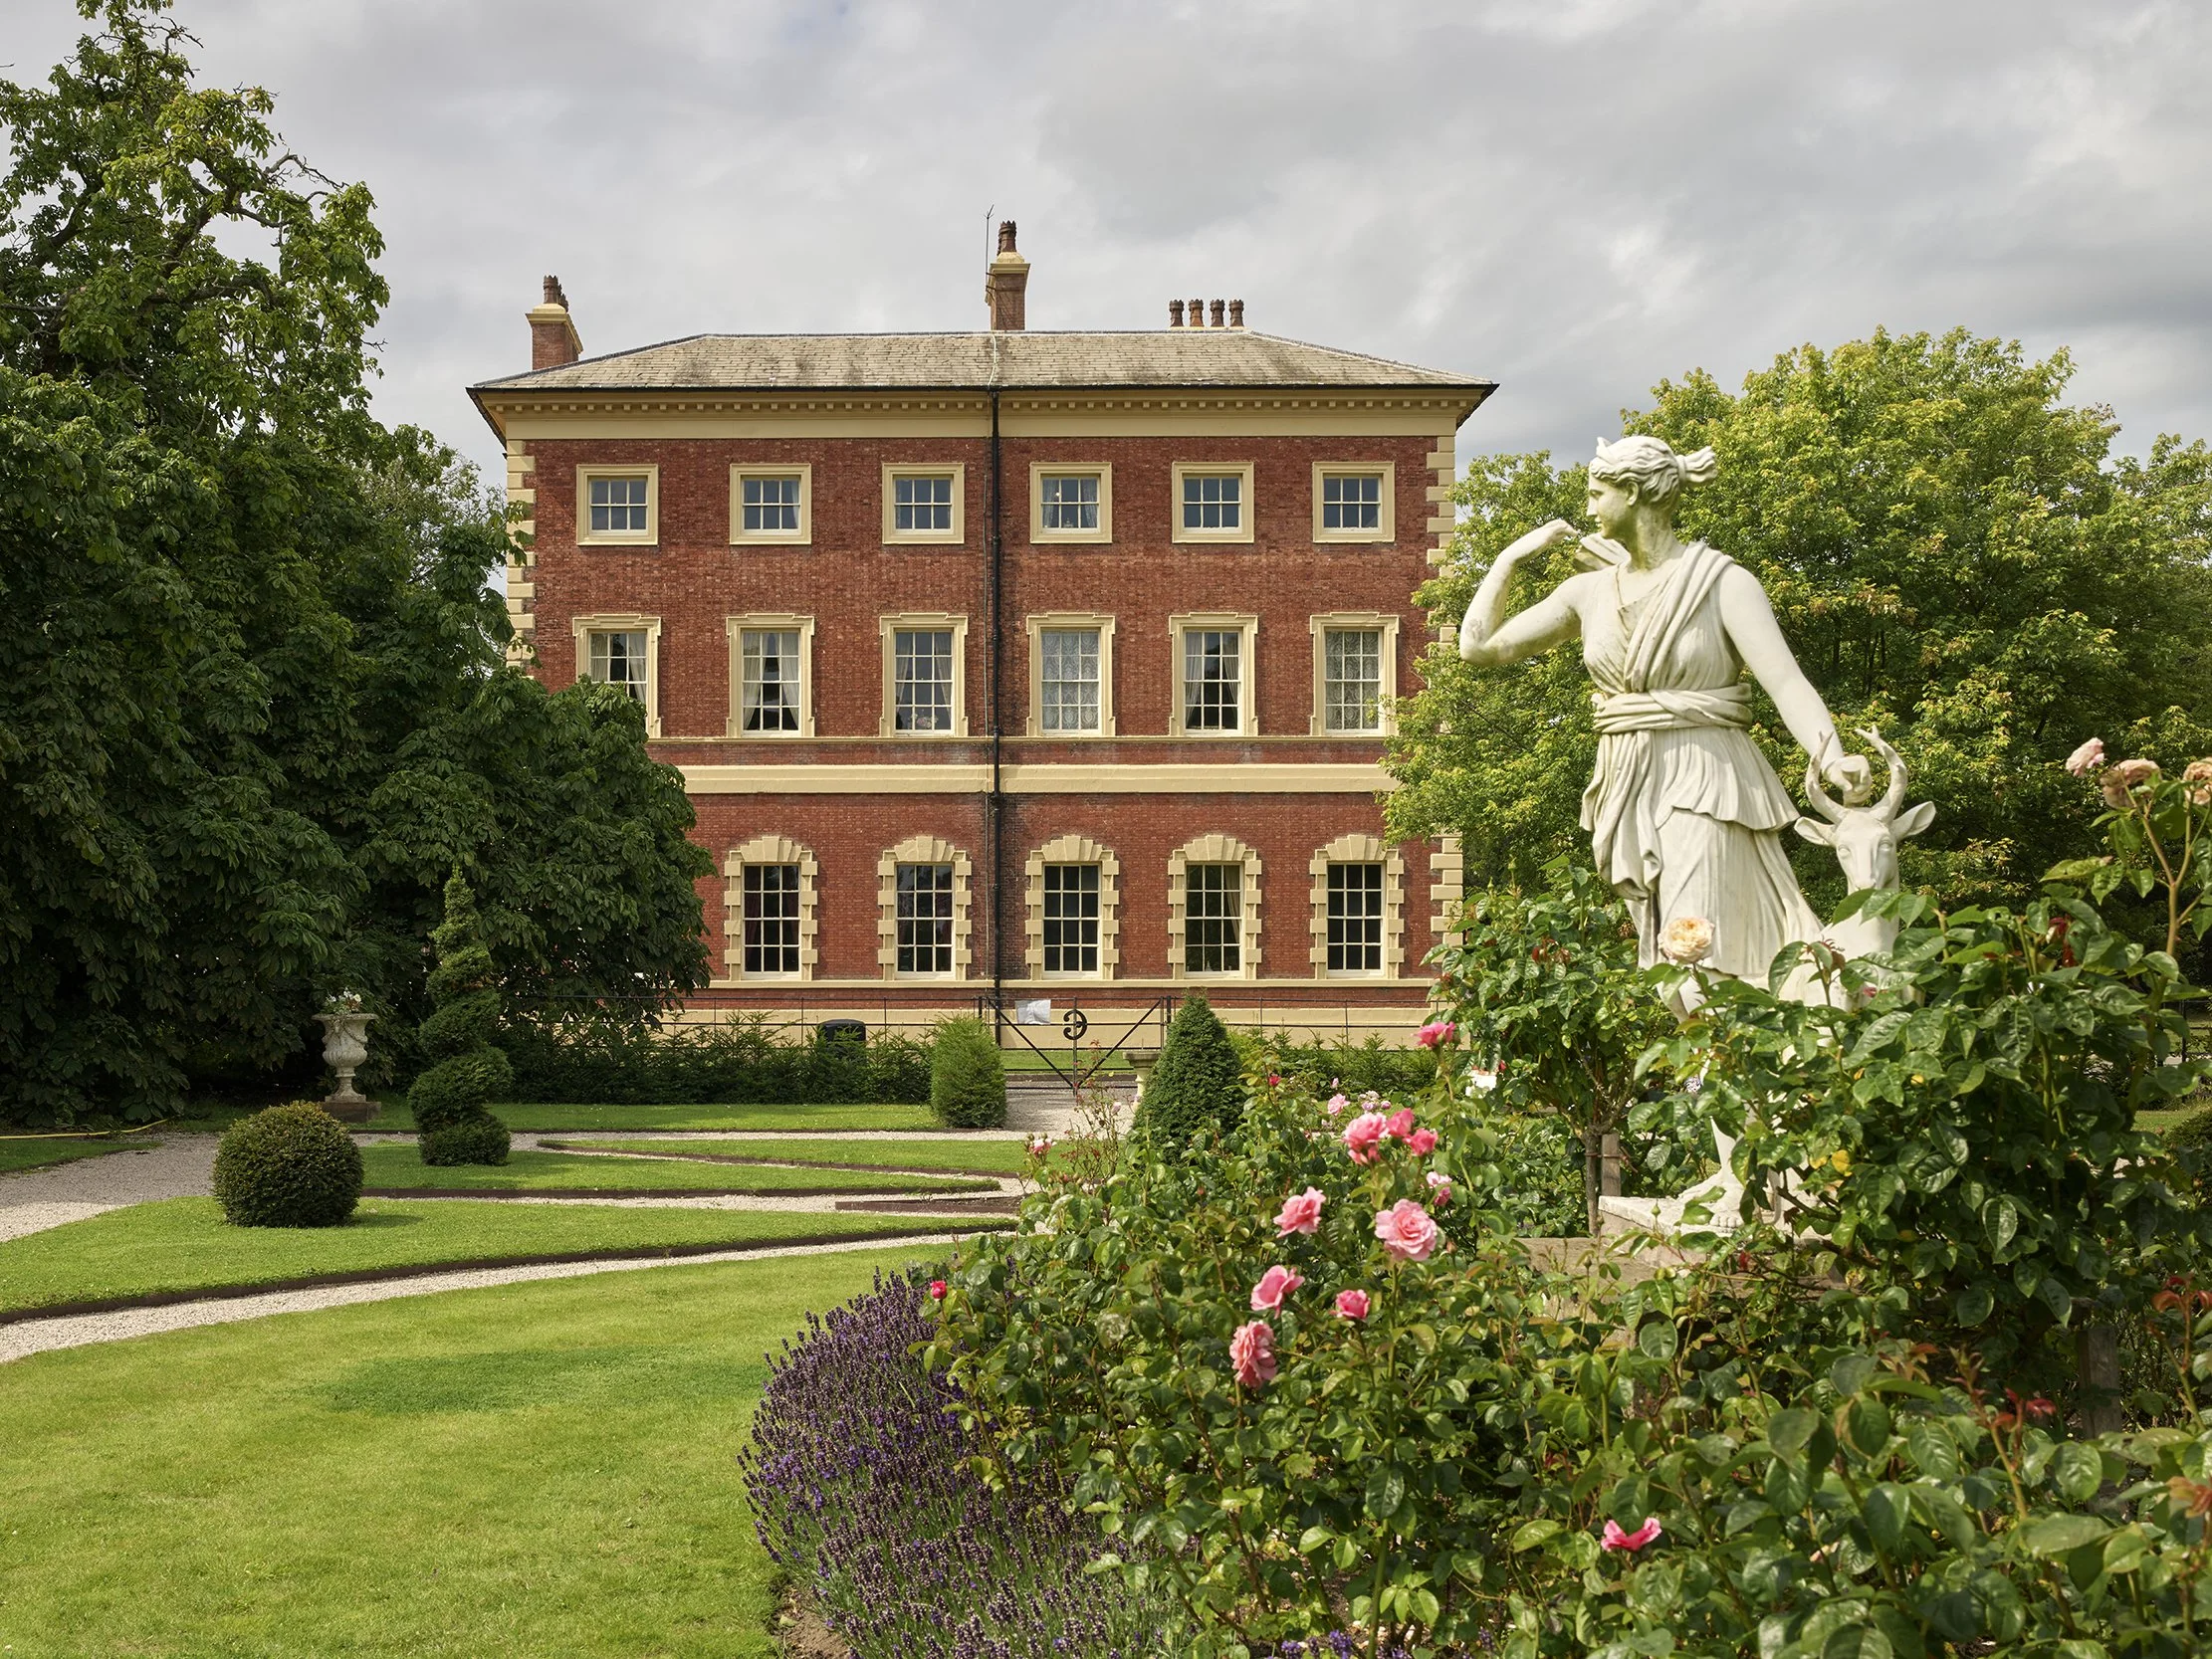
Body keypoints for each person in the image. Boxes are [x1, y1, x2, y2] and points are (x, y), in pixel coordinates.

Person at [1458, 435, 1869, 986]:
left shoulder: (1722, 582)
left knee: (1698, 946)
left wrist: (1833, 758)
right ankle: (1709, 1067)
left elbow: (1786, 682)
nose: (1587, 508)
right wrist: (1510, 558)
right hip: (1626, 783)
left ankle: (1731, 1062)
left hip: (1705, 778)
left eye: (1595, 493)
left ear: (1630, 492)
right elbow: (1479, 647)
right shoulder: (1587, 591)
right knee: (1670, 968)